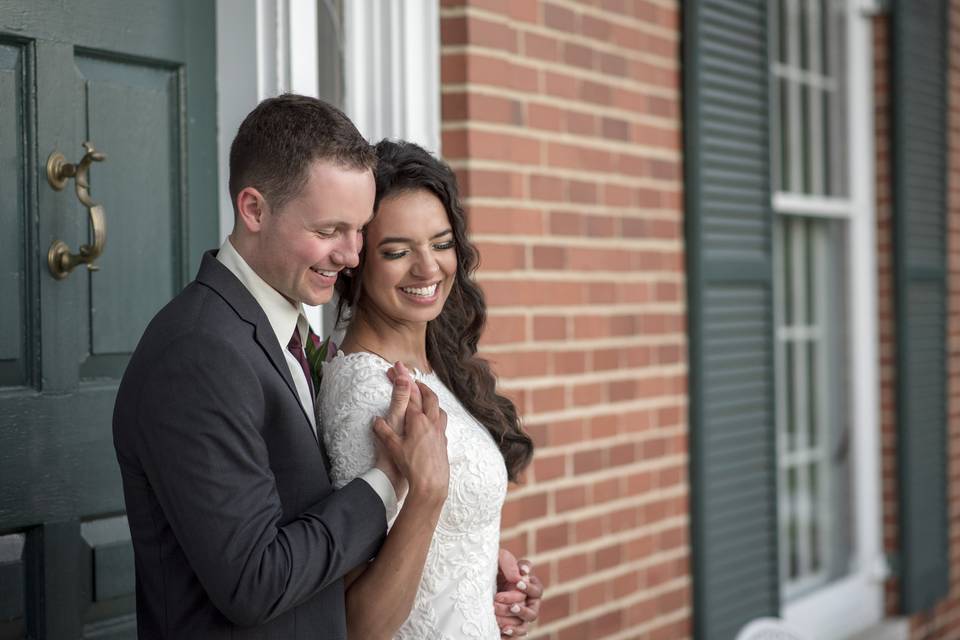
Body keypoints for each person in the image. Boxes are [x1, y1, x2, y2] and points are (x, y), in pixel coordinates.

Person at [113, 95, 452, 639]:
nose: (351, 255)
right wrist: (389, 479)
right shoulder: (198, 352)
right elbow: (257, 581)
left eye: (360, 229)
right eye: (328, 231)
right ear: (253, 209)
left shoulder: (290, 334)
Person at [318, 139, 541, 639]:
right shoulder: (372, 396)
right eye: (397, 251)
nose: (428, 269)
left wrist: (487, 588)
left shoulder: (430, 366)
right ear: (356, 261)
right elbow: (361, 626)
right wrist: (430, 494)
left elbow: (428, 557)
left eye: (440, 244)